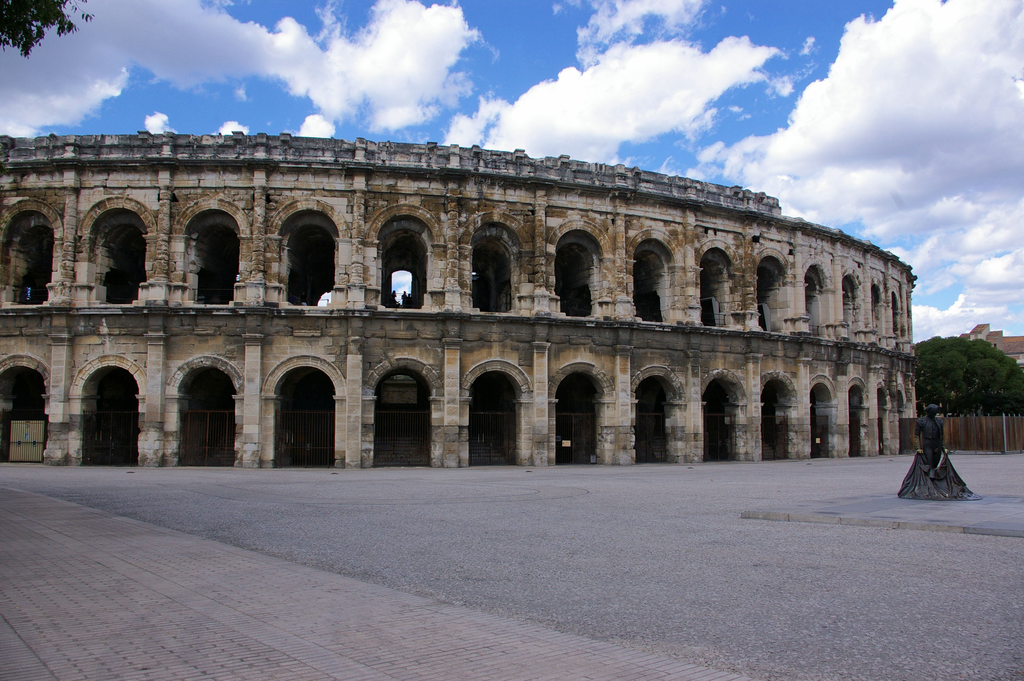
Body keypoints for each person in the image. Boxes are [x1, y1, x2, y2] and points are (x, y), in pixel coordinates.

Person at [898, 404, 981, 500]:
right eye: (932, 413)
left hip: (936, 444)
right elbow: (916, 435)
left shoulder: (939, 422)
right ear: (928, 412)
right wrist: (918, 447)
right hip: (927, 444)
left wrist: (944, 447)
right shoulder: (921, 421)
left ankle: (934, 483)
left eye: (935, 413)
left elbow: (941, 436)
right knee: (929, 463)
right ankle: (929, 484)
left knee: (936, 462)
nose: (934, 415)